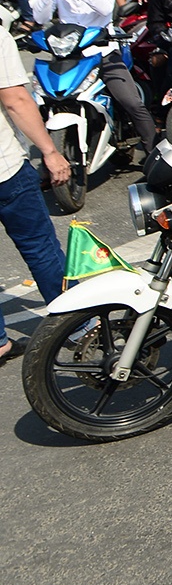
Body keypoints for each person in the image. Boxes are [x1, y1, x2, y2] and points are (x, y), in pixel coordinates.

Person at [31, 0, 158, 156]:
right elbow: (39, 17)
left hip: (103, 50)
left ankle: (153, 155)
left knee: (132, 103)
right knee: (41, 102)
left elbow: (104, 8)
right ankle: (50, 163)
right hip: (68, 54)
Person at [0, 26, 74, 361]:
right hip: (4, 171)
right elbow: (14, 98)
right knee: (40, 248)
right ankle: (76, 325)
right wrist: (49, 150)